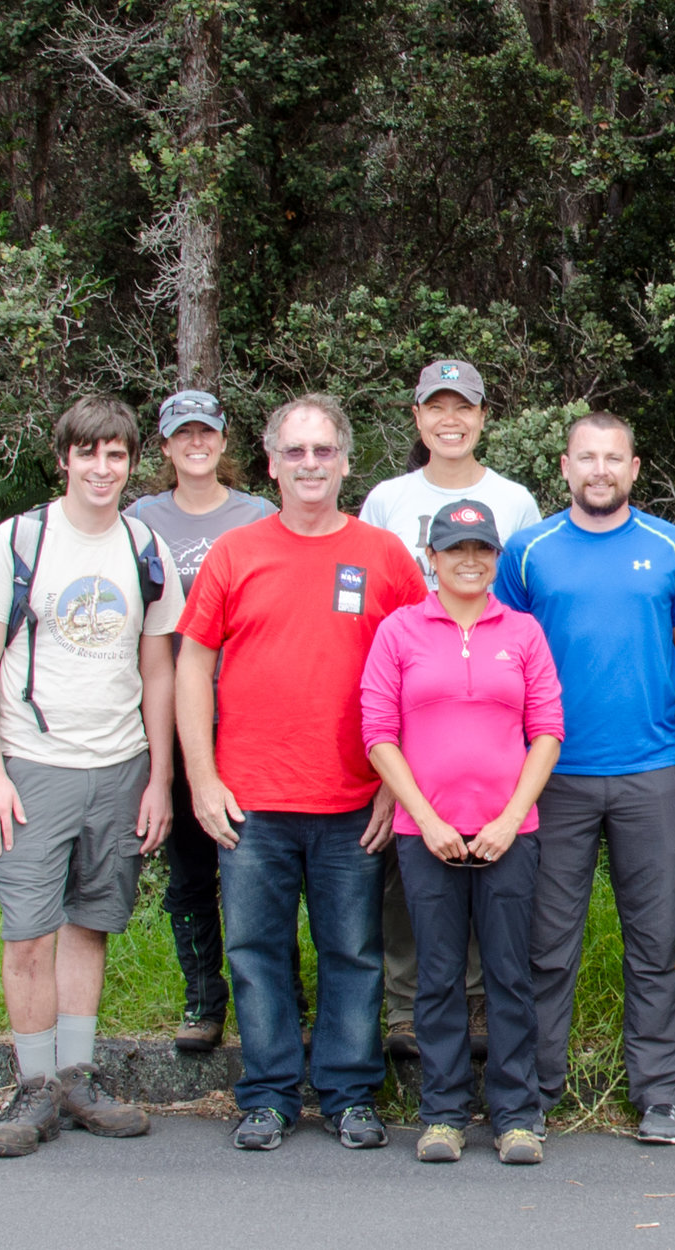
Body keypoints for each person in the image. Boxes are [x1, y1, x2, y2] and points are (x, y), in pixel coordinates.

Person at [177, 394, 427, 1152]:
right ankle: (269, 1094)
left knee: (353, 952)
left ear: (347, 461)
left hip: (353, 797)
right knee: (257, 952)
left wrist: (396, 781)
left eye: (324, 451)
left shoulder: (384, 556)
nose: (311, 464)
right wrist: (202, 776)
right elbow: (193, 664)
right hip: (249, 800)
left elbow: (419, 665)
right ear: (272, 462)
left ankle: (351, 1093)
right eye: (296, 452)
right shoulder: (235, 553)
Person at [0, 395, 183, 1157]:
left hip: (118, 766)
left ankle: (78, 1076)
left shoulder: (144, 545)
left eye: (115, 455)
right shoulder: (21, 541)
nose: (101, 468)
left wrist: (159, 778)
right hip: (33, 767)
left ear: (130, 463)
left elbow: (159, 670)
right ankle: (33, 1086)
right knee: (28, 933)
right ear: (65, 459)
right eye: (87, 453)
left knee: (91, 923)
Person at [494, 412, 675, 1146]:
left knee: (658, 943)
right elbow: (505, 655)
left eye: (614, 458)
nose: (601, 470)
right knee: (546, 945)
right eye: (587, 458)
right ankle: (536, 1089)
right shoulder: (528, 553)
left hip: (650, 772)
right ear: (564, 466)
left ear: (635, 469)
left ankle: (660, 1093)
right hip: (552, 776)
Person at [361, 499, 565, 1166]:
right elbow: (378, 735)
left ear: (496, 558)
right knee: (439, 976)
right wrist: (425, 818)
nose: (470, 561)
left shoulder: (525, 631)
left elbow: (548, 731)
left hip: (511, 832)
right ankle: (444, 1113)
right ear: (433, 559)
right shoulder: (399, 631)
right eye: (456, 550)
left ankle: (516, 1115)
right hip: (429, 835)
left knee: (510, 975)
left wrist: (509, 819)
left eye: (482, 549)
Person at [359, 359, 544, 1059]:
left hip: (487, 706)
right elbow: (375, 612)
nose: (450, 419)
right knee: (412, 883)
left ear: (482, 416)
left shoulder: (515, 500)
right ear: (416, 418)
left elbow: (518, 612)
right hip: (405, 712)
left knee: (490, 881)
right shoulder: (385, 499)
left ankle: (474, 1011)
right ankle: (408, 1010)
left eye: (462, 406)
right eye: (436, 407)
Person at [122, 389, 278, 1053]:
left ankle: (275, 997)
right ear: (164, 446)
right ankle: (203, 995)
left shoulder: (257, 515)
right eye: (182, 434)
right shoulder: (139, 519)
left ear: (221, 440)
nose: (195, 444)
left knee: (260, 863)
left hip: (249, 715)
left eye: (206, 433)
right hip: (176, 713)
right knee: (189, 867)